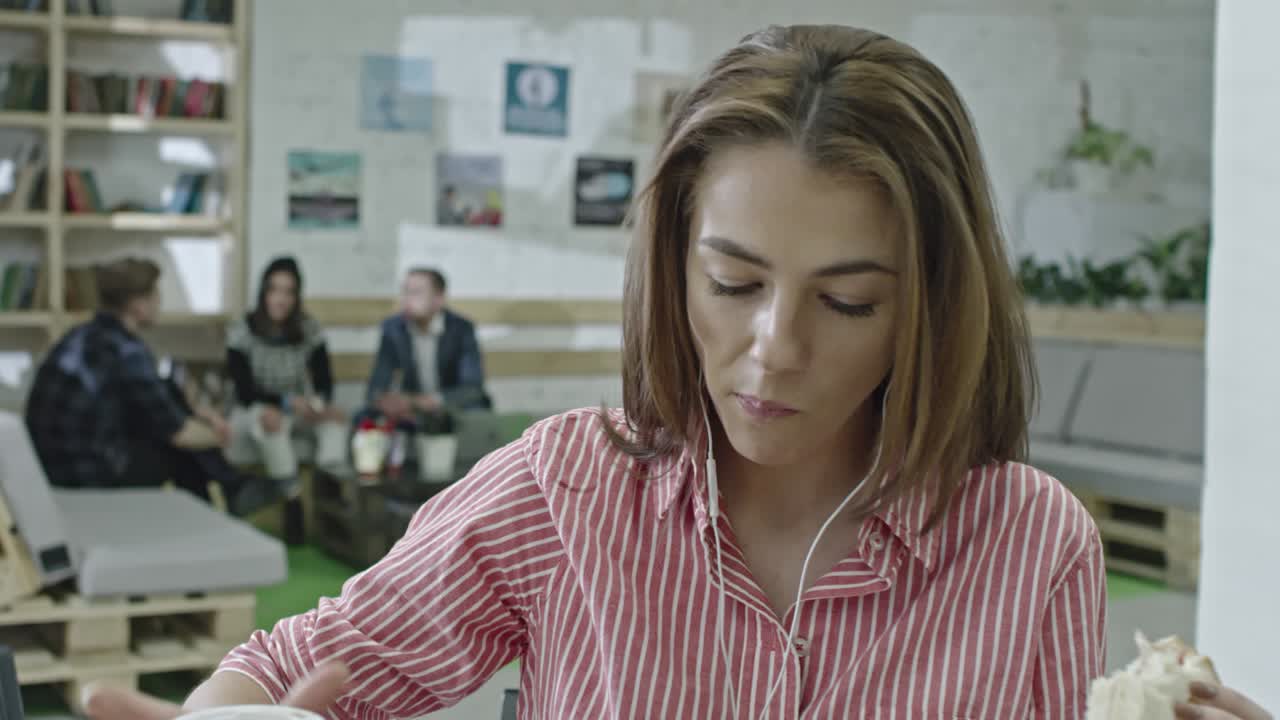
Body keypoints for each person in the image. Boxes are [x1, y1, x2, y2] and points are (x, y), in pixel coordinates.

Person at [83, 25, 1272, 720]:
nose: (774, 350)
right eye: (732, 281)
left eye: (847, 300)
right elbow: (281, 671)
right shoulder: (562, 492)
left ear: (931, 307)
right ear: (671, 266)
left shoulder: (1033, 544)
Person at [23, 257, 263, 515]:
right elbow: (179, 434)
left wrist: (198, 414)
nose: (159, 301)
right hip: (87, 477)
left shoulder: (80, 334)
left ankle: (228, 493)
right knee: (178, 452)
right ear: (138, 305)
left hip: (49, 469)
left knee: (166, 392)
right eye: (155, 294)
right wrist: (218, 437)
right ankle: (224, 499)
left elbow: (154, 397)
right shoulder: (129, 352)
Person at [224, 256, 346, 542]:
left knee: (335, 423)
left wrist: (319, 406)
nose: (280, 299)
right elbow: (245, 391)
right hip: (253, 409)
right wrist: (286, 403)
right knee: (270, 422)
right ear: (264, 292)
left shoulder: (309, 328)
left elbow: (324, 381)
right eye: (274, 290)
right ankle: (292, 499)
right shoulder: (242, 330)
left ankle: (331, 497)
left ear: (296, 296)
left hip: (299, 407)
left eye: (288, 291)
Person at [365, 267, 491, 427]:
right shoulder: (393, 329)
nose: (406, 299)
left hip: (449, 405)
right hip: (410, 406)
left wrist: (429, 402)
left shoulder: (462, 329)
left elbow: (473, 387)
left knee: (476, 414)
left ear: (439, 299)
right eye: (405, 291)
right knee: (364, 417)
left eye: (416, 292)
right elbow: (376, 387)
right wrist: (389, 402)